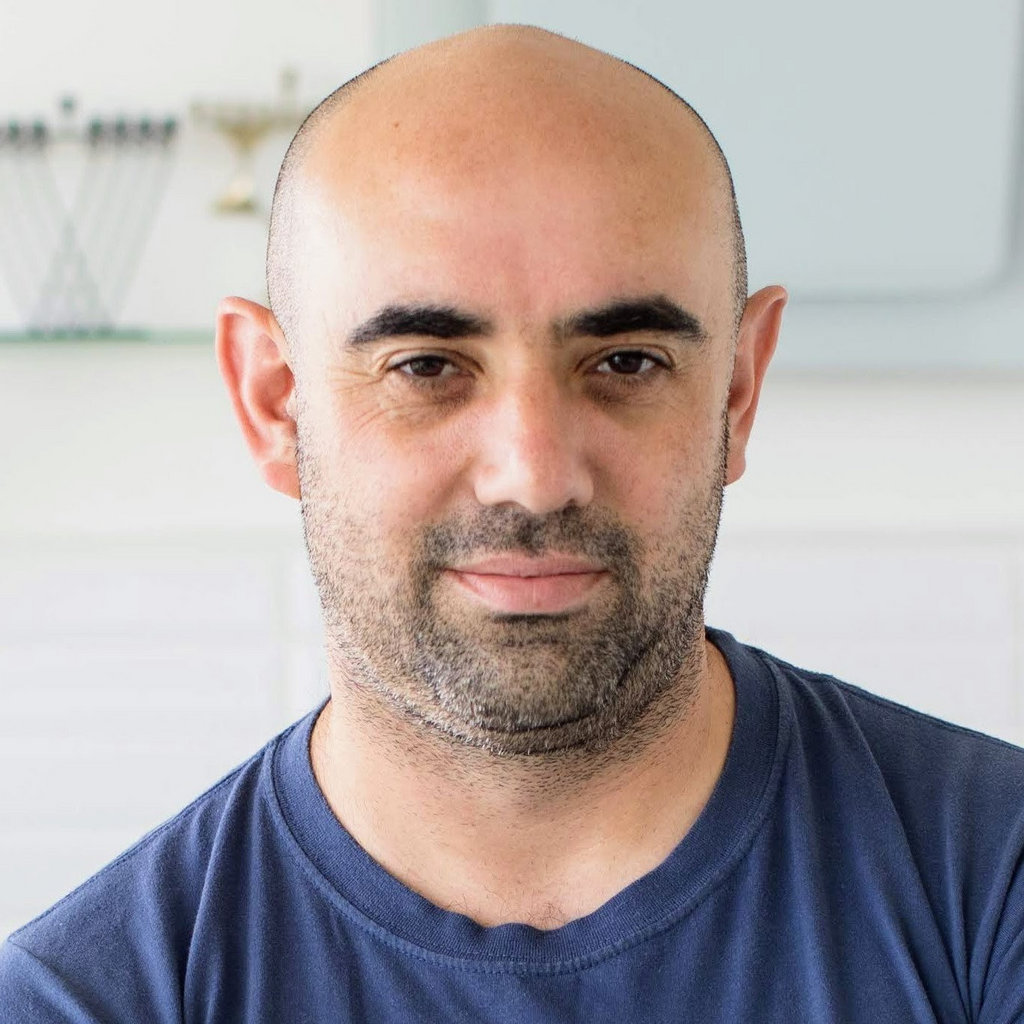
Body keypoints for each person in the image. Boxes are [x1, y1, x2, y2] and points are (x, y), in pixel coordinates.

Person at [2, 23, 1023, 1023]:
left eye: (626, 361)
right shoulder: (88, 998)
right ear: (275, 403)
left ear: (736, 392)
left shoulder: (992, 886)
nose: (533, 477)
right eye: (426, 367)